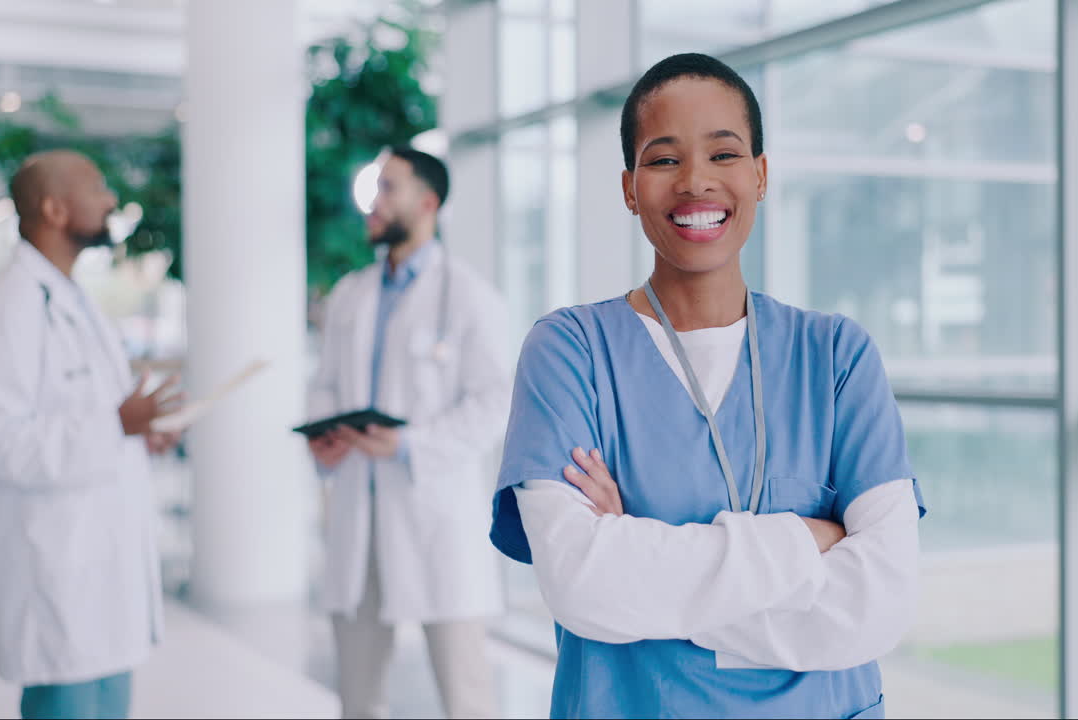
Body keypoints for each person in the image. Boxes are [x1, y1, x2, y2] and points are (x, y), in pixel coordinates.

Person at [490, 53, 927, 719]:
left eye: (723, 155)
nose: (696, 181)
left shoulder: (836, 356)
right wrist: (809, 540)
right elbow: (583, 587)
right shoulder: (569, 352)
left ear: (760, 175)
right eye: (664, 160)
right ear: (630, 187)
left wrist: (642, 561)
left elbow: (878, 605)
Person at [0, 150, 182, 720]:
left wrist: (138, 434)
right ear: (55, 209)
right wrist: (116, 425)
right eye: (98, 187)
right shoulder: (11, 307)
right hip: (57, 575)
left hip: (102, 573)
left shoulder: (75, 300)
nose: (111, 200)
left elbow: (95, 418)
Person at [305, 147, 510, 719]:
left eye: (388, 188)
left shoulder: (470, 297)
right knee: (358, 692)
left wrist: (411, 446)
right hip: (358, 511)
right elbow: (325, 385)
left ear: (428, 201)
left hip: (434, 512)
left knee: (466, 692)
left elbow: (495, 402)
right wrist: (324, 436)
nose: (374, 202)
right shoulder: (351, 293)